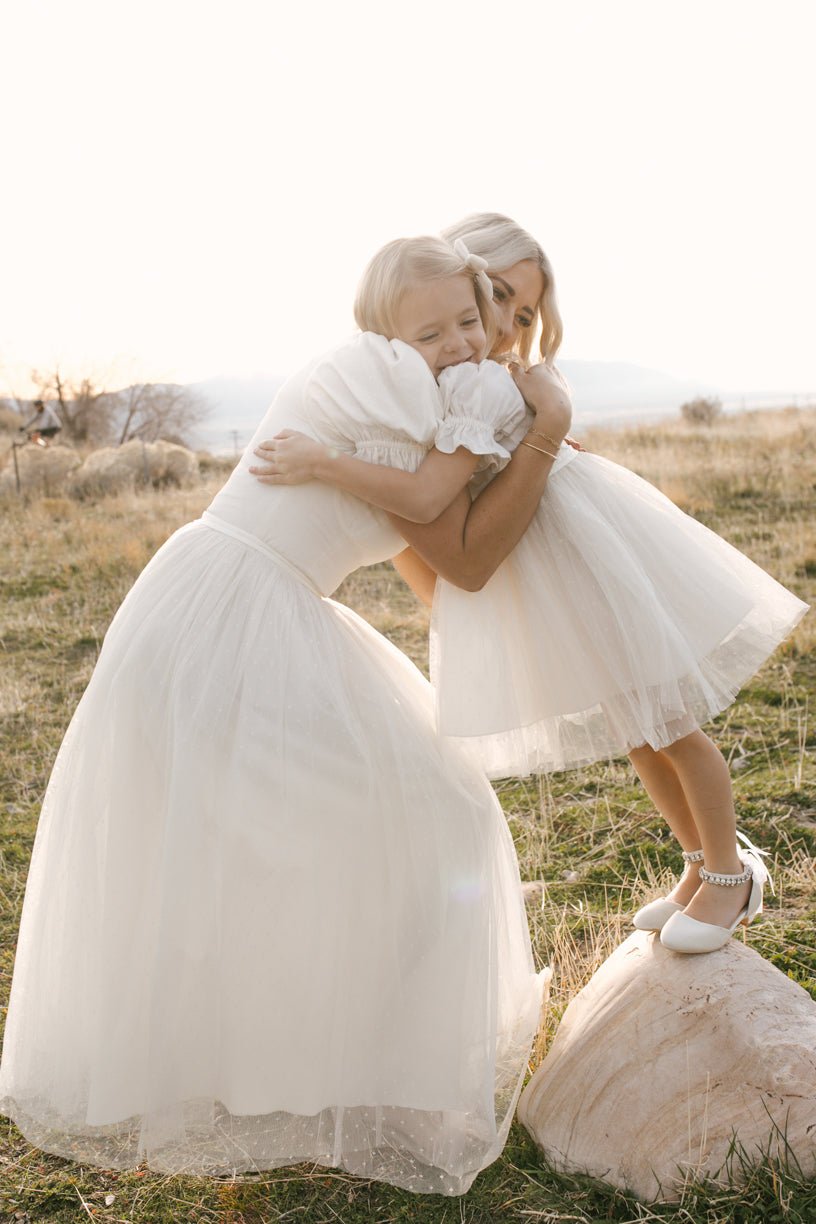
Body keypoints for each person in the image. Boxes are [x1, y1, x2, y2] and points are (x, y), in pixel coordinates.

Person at [0, 236, 573, 1195]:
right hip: (235, 613)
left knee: (398, 817)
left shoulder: (410, 387)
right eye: (427, 331)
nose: (457, 345)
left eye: (470, 320)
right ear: (385, 333)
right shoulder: (399, 381)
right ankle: (340, 1073)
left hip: (235, 600)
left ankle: (340, 1065)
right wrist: (543, 429)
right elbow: (456, 532)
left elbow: (440, 547)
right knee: (406, 819)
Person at [250, 214, 809, 957]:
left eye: (521, 314)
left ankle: (733, 877)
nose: (505, 329)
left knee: (665, 715)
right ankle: (698, 864)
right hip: (554, 561)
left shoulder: (486, 381)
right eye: (498, 301)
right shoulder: (440, 386)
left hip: (585, 551)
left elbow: (450, 484)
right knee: (634, 726)